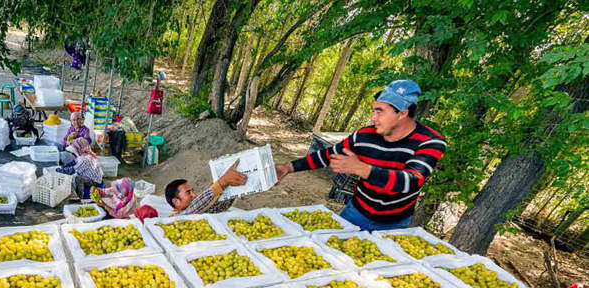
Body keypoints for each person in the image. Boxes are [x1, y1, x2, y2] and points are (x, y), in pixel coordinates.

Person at [275, 80, 446, 231]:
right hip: (356, 212)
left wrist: (362, 169)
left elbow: (411, 180)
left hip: (394, 224)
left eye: (380, 111)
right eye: (373, 111)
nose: (373, 117)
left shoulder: (430, 141)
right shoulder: (364, 136)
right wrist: (289, 167)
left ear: (402, 113)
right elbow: (329, 155)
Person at [163, 160, 248, 215]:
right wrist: (222, 182)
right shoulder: (179, 217)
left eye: (192, 191)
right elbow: (193, 209)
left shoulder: (200, 210)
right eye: (188, 192)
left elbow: (218, 206)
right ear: (176, 201)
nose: (194, 195)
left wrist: (231, 187)